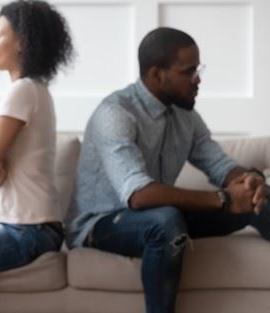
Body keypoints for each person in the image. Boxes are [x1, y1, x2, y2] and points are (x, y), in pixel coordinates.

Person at [65, 26, 269, 313]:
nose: (198, 79)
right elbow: (138, 195)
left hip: (157, 215)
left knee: (259, 199)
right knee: (165, 221)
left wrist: (252, 180)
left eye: (199, 69)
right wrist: (222, 199)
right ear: (157, 73)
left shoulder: (185, 115)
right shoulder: (115, 113)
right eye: (189, 71)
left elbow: (221, 166)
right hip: (100, 224)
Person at [0, 0, 74, 313]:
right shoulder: (36, 90)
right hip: (22, 221)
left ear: (22, 42)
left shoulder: (21, 92)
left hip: (25, 233)